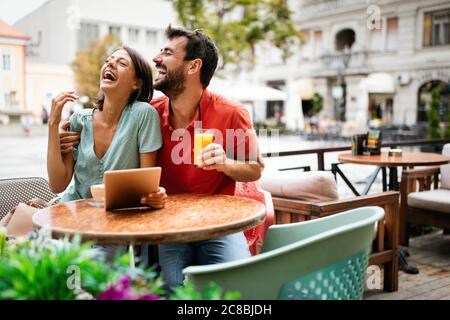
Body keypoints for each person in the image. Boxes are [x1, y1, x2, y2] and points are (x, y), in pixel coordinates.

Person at [59, 26, 265, 291]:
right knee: (169, 289)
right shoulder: (148, 114)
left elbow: (255, 167)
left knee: (239, 288)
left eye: (167, 53)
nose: (156, 59)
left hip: (219, 225)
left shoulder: (231, 112)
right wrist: (66, 138)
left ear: (193, 67)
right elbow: (103, 125)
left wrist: (225, 162)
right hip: (168, 226)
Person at [48, 46, 167, 208]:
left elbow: (147, 187)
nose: (110, 64)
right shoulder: (79, 120)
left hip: (118, 216)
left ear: (136, 83)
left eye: (122, 63)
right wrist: (53, 125)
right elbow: (57, 185)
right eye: (108, 61)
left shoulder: (144, 114)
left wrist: (154, 197)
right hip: (73, 213)